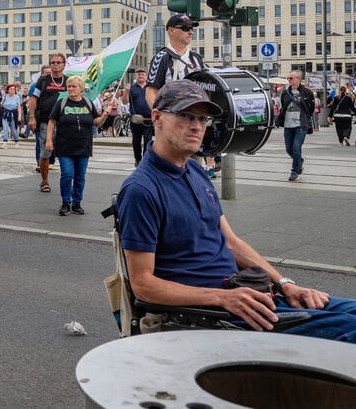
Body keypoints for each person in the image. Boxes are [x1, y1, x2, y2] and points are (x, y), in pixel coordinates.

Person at [117, 79, 356, 341]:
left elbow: (230, 242)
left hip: (246, 294)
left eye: (202, 118)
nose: (197, 126)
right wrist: (223, 298)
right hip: (215, 316)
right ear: (157, 117)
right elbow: (143, 285)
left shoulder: (195, 169)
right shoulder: (142, 190)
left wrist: (286, 284)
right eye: (186, 116)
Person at [145, 13, 215, 177]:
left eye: (191, 28)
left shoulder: (196, 59)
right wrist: (161, 116)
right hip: (173, 120)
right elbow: (150, 91)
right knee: (169, 166)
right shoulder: (162, 57)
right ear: (171, 31)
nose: (190, 32)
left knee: (194, 168)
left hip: (194, 119)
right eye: (184, 28)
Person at [46, 76, 107, 216]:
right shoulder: (61, 103)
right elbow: (51, 122)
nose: (71, 89)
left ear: (81, 88)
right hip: (65, 146)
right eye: (69, 86)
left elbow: (96, 122)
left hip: (83, 146)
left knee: (80, 176)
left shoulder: (87, 102)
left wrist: (104, 116)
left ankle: (77, 203)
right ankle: (66, 203)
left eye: (74, 86)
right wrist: (49, 140)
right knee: (67, 174)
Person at [28, 54, 68, 193]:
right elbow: (34, 99)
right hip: (45, 121)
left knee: (65, 152)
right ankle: (44, 181)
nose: (55, 64)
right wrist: (32, 117)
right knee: (45, 152)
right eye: (53, 62)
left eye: (58, 62)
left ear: (64, 64)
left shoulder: (68, 81)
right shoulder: (43, 80)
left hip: (64, 123)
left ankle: (67, 179)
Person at [276, 70, 315, 182]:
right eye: (288, 78)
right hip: (288, 125)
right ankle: (300, 161)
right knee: (289, 149)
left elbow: (311, 108)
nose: (289, 80)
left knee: (296, 147)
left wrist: (305, 119)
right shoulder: (285, 93)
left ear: (298, 79)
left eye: (291, 78)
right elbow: (283, 107)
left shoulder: (307, 92)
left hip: (301, 125)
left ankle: (294, 172)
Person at [127, 69, 152, 167]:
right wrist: (126, 92)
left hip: (148, 119)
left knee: (148, 139)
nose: (141, 76)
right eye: (139, 74)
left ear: (146, 77)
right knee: (136, 140)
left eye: (143, 74)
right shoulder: (132, 88)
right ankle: (137, 158)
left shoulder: (151, 88)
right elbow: (125, 102)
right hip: (136, 118)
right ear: (136, 76)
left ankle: (146, 159)